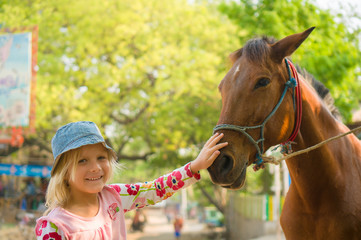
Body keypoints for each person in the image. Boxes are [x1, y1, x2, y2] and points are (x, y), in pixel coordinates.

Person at [34, 121, 227, 239]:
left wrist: (193, 167)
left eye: (101, 158)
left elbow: (155, 190)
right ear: (64, 172)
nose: (95, 167)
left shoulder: (115, 197)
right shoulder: (54, 226)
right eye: (82, 161)